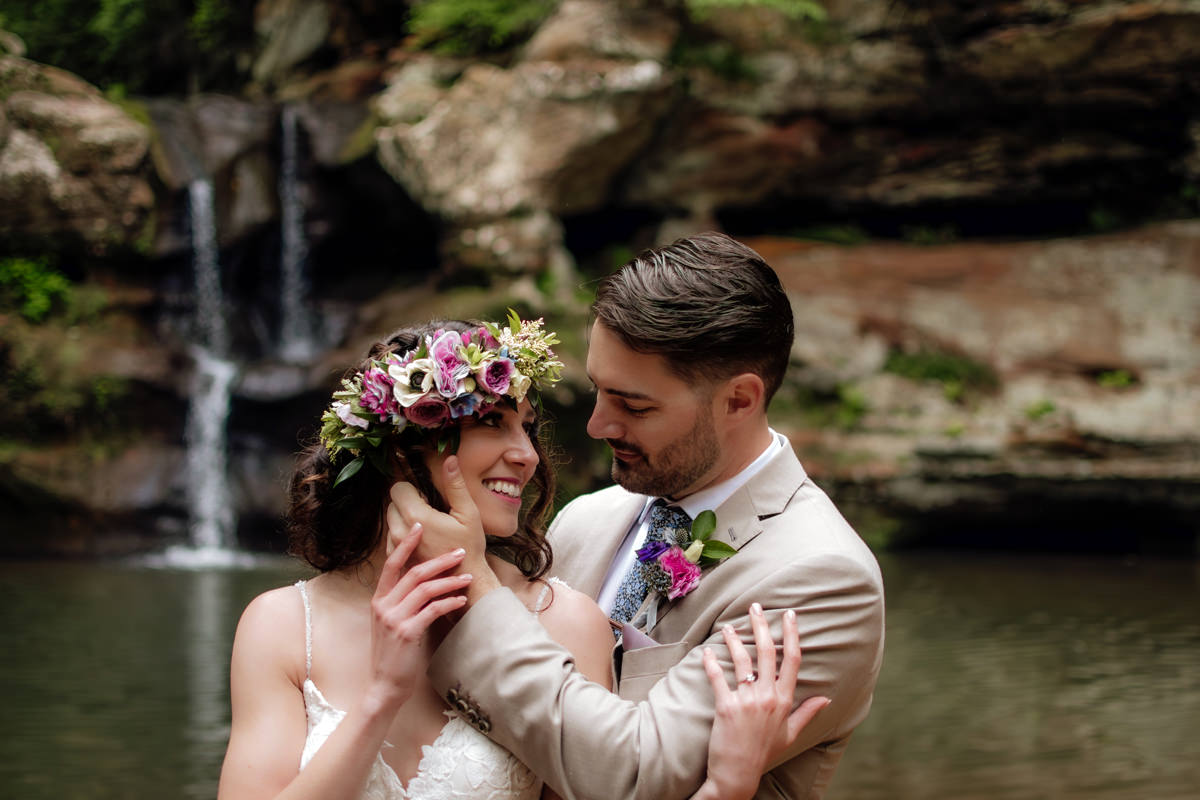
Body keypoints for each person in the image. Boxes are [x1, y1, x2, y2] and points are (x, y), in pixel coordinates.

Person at [216, 316, 828, 800]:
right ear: (404, 449)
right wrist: (382, 697)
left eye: (527, 429)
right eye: (492, 423)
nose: (527, 456)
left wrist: (725, 787)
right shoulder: (280, 626)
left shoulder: (566, 622)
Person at [390, 232, 886, 799]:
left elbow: (634, 777)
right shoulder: (585, 519)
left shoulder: (821, 579)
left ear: (740, 400)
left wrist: (476, 586)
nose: (597, 426)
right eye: (600, 391)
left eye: (634, 405)